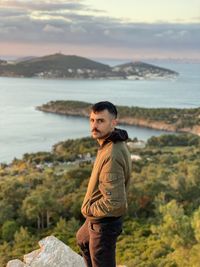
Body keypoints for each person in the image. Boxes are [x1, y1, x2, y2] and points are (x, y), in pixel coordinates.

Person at [76, 101, 132, 267]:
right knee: (82, 240)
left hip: (104, 223)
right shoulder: (109, 142)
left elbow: (114, 203)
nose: (94, 125)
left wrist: (89, 209)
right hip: (98, 218)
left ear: (113, 123)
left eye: (100, 121)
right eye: (92, 120)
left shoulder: (112, 154)